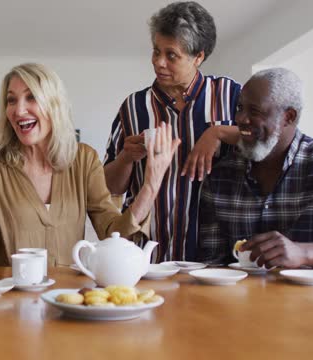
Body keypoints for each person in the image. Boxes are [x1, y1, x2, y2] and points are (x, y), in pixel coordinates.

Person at [0, 63, 180, 266]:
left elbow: (114, 234)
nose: (19, 110)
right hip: (11, 304)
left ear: (54, 105)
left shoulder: (83, 160)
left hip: (69, 301)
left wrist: (151, 186)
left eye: (31, 97)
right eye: (11, 100)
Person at [103, 1, 242, 262]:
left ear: (198, 56)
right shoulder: (133, 107)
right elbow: (108, 186)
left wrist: (218, 133)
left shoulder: (230, 95)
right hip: (146, 257)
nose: (159, 62)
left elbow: (265, 140)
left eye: (171, 55)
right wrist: (126, 158)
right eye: (156, 51)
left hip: (215, 258)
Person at [198, 68, 313, 272]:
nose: (241, 118)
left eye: (255, 111)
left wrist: (302, 253)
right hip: (238, 301)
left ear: (288, 117)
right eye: (240, 108)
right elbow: (211, 262)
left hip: (310, 302)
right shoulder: (220, 177)